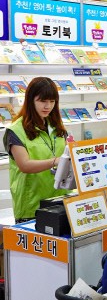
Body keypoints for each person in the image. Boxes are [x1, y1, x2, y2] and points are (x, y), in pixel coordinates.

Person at [4, 77, 69, 223]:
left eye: (52, 102)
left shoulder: (57, 126)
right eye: (42, 101)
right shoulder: (16, 130)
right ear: (30, 100)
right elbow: (24, 165)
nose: (47, 106)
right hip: (31, 205)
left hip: (60, 199)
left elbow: (69, 150)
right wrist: (56, 161)